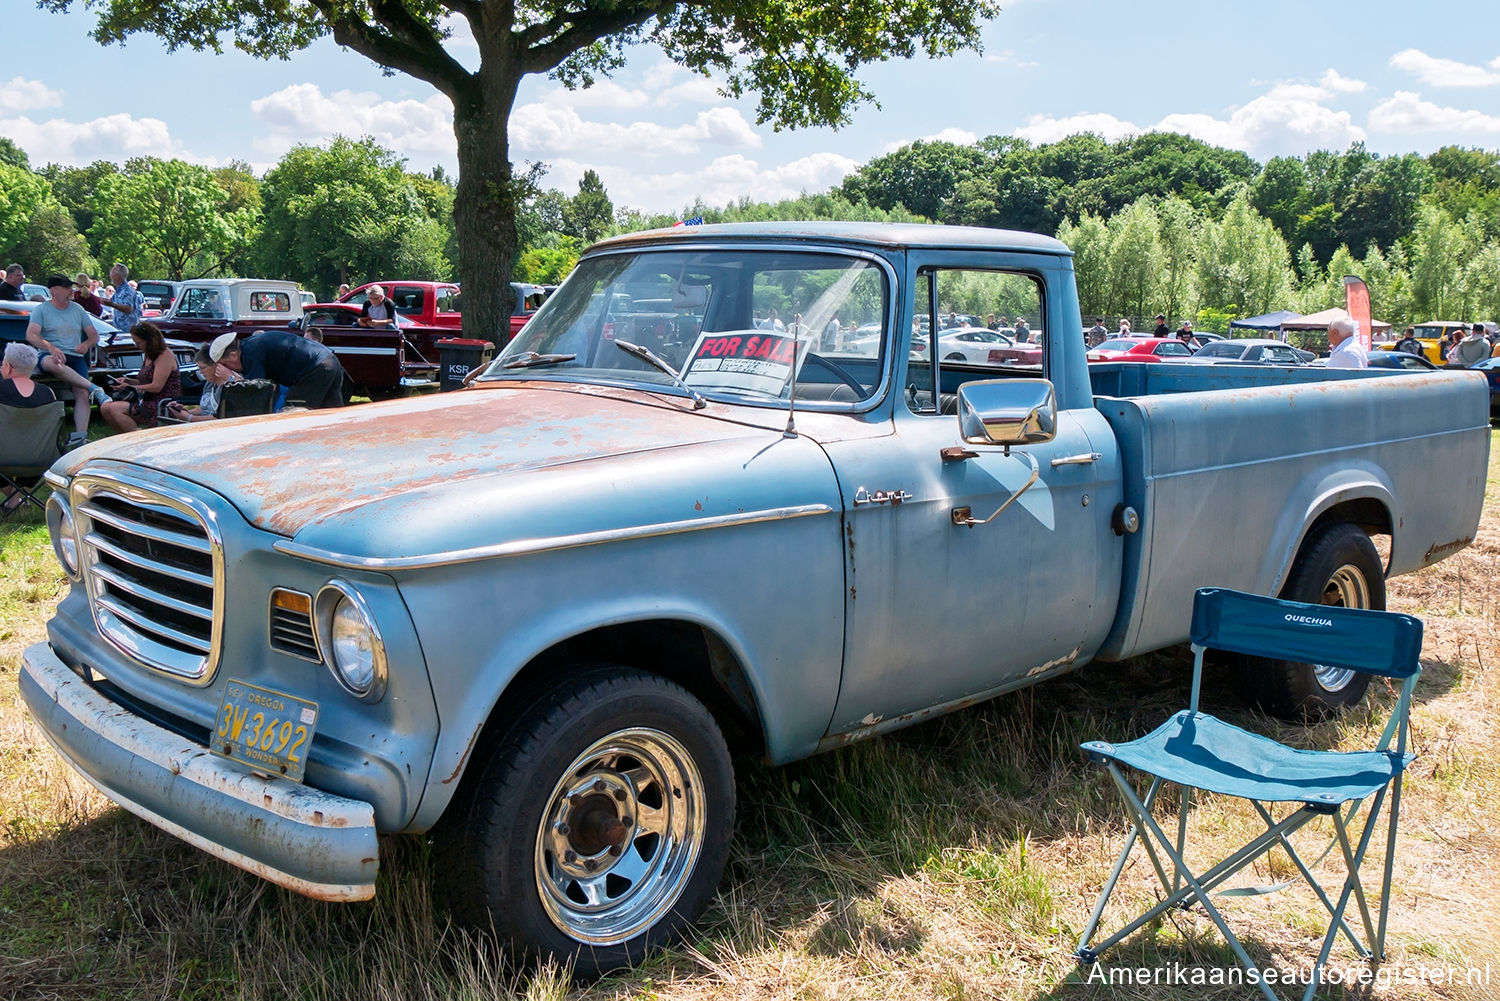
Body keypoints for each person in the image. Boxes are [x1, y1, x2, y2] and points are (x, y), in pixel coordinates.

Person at [26, 274, 100, 446]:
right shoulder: (41, 310)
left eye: (71, 287)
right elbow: (30, 335)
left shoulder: (78, 309)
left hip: (75, 356)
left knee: (82, 393)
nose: (71, 291)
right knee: (53, 363)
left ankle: (80, 437)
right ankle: (95, 388)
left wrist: (86, 344)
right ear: (54, 290)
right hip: (50, 355)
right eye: (67, 288)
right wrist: (51, 347)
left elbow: (94, 335)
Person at [209, 328, 344, 409]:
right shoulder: (251, 345)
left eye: (224, 365)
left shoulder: (249, 354)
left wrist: (231, 378)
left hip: (315, 368)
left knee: (295, 415)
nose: (225, 369)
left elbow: (257, 391)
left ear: (233, 355)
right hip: (330, 360)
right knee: (331, 413)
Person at [1, 343, 59, 512]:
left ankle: (12, 496)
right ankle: (16, 498)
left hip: (3, 458)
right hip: (41, 460)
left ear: (9, 368)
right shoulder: (48, 393)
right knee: (38, 446)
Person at [99, 322, 182, 433]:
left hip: (162, 402)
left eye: (138, 342)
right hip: (147, 398)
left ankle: (138, 438)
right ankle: (124, 438)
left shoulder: (164, 355)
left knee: (115, 408)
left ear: (149, 340)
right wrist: (128, 381)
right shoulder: (149, 354)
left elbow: (157, 386)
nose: (136, 345)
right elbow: (145, 381)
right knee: (105, 408)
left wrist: (129, 386)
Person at [164, 343, 243, 422]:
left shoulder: (231, 384)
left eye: (202, 368)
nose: (200, 372)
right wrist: (185, 412)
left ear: (216, 365)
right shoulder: (210, 383)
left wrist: (189, 418)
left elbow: (222, 418)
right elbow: (204, 408)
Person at [96, 263, 145, 333]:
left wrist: (113, 304)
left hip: (127, 332)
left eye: (112, 273)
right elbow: (109, 301)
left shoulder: (127, 291)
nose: (110, 275)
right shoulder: (119, 291)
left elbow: (129, 309)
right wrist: (94, 298)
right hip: (120, 330)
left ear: (118, 276)